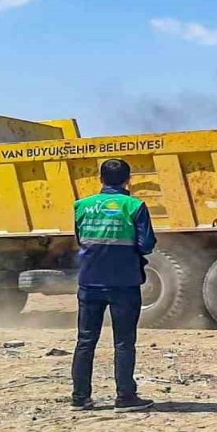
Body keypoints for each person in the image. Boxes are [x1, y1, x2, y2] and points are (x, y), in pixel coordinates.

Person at [71, 158, 157, 412]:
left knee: (85, 340)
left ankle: (80, 397)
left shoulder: (82, 206)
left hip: (89, 282)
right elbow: (147, 244)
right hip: (124, 283)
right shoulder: (134, 206)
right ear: (128, 179)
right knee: (124, 341)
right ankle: (125, 397)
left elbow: (80, 239)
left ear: (100, 179)